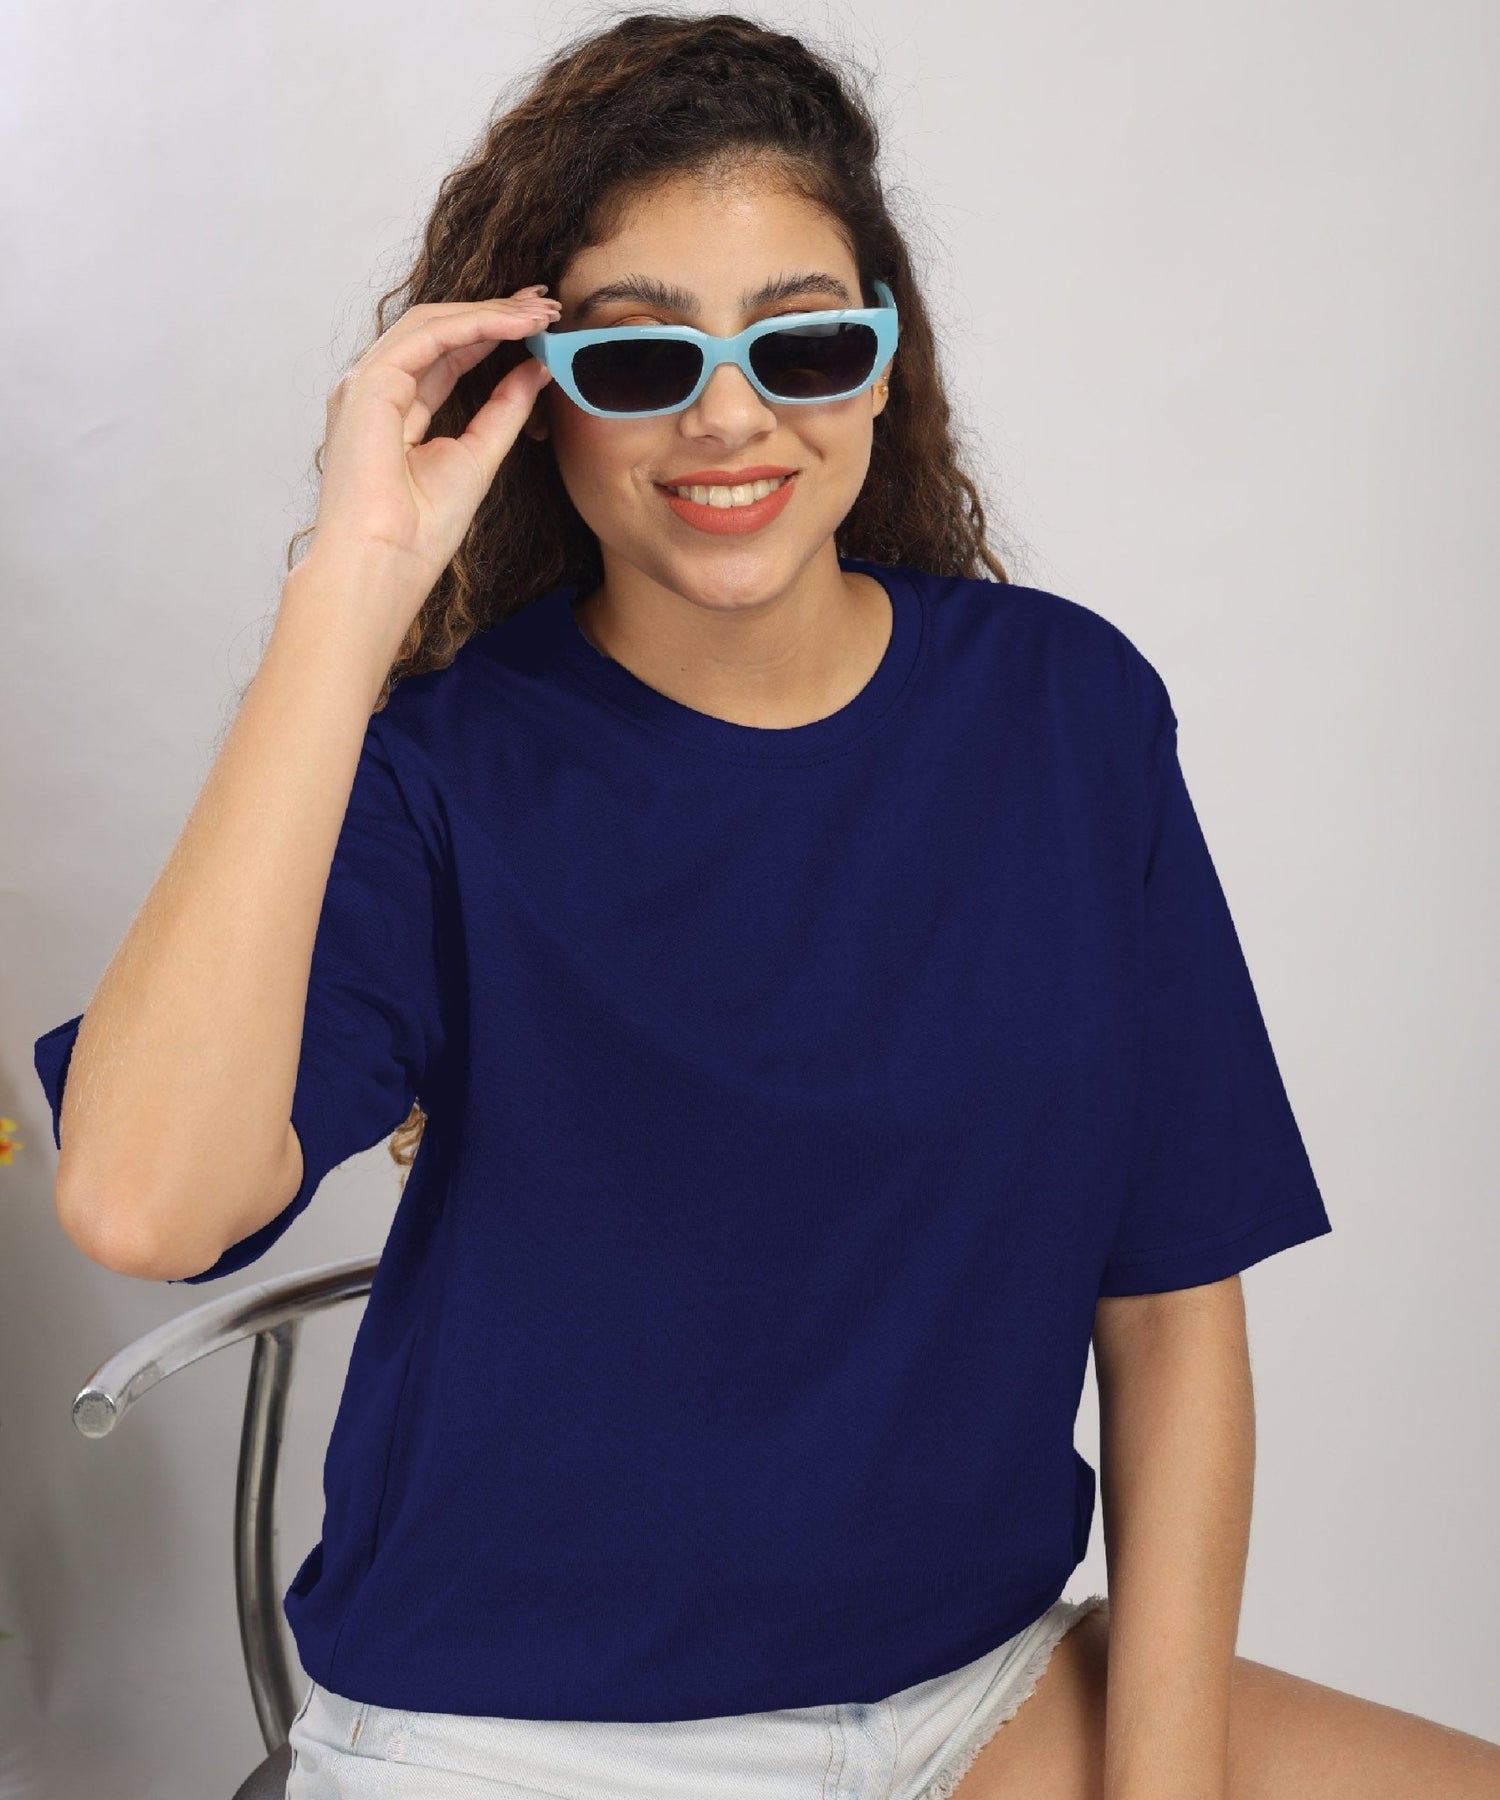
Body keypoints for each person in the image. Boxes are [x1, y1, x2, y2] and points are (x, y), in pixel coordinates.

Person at [33, 12, 1500, 1799]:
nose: (730, 416)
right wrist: (352, 587)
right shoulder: (435, 775)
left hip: (977, 1695)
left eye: (801, 341)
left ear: (881, 364)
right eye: (639, 359)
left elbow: (1174, 1294)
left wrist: (1162, 1785)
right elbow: (142, 1201)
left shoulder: (1065, 712)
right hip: (523, 1739)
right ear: (538, 394)